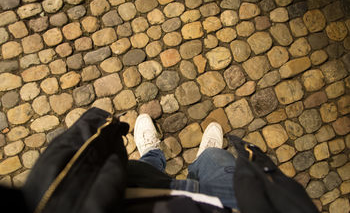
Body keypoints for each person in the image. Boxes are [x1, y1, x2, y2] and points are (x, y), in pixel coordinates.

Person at [0, 108, 318, 213]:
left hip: (133, 194)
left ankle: (153, 153)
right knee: (216, 159)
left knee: (148, 167)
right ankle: (205, 155)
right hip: (226, 204)